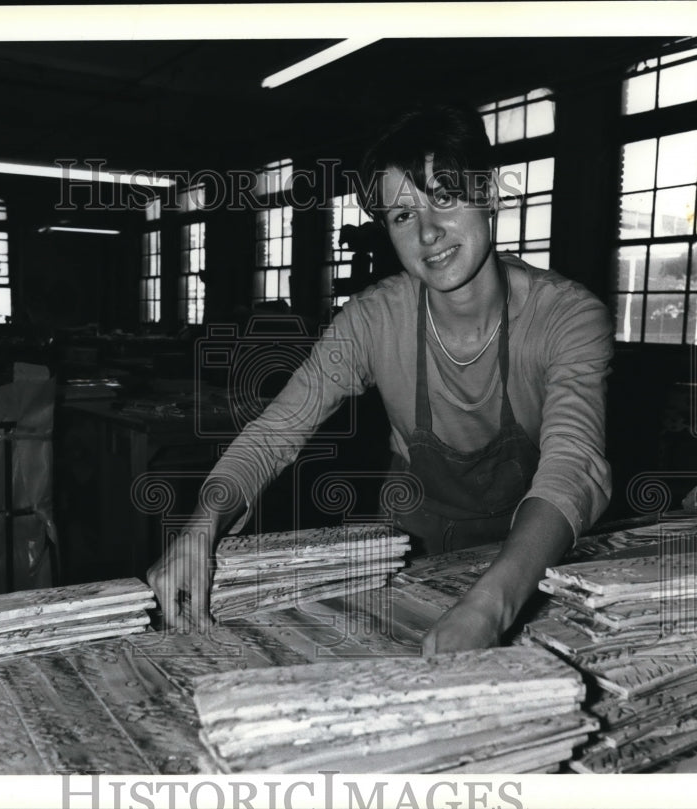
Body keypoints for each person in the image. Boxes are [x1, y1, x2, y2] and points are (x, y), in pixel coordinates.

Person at [148, 104, 613, 653]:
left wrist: (491, 604)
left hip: (530, 555)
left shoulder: (567, 317)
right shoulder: (373, 321)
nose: (429, 232)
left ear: (487, 192)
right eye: (400, 216)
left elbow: (572, 467)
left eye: (443, 196)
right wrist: (202, 524)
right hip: (408, 549)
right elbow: (276, 431)